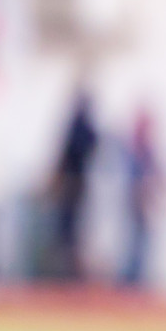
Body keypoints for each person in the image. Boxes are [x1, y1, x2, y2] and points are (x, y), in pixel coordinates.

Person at [49, 87, 99, 282]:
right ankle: (66, 274)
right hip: (73, 185)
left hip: (76, 185)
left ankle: (71, 275)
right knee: (67, 232)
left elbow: (70, 153)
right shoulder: (77, 126)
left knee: (72, 232)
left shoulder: (81, 127)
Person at [118, 104, 163, 288]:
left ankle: (136, 278)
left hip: (143, 198)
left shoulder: (145, 146)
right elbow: (134, 174)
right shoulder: (135, 145)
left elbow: (155, 170)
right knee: (134, 239)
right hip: (135, 198)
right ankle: (131, 279)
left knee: (141, 239)